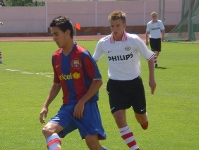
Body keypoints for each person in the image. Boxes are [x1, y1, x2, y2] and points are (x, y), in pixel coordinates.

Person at [39, 16, 107, 150]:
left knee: (93, 145)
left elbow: (98, 82)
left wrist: (82, 102)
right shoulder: (56, 57)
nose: (53, 38)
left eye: (56, 34)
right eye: (52, 34)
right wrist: (45, 105)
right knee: (48, 130)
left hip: (87, 106)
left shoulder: (83, 54)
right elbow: (57, 84)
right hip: (68, 107)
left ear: (67, 33)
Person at [93, 10, 156, 150]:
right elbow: (93, 61)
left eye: (117, 25)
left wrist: (151, 79)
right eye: (112, 26)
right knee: (119, 120)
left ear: (124, 25)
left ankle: (144, 116)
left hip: (134, 84)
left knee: (141, 120)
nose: (114, 29)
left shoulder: (134, 40)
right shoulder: (104, 43)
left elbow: (150, 57)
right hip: (115, 85)